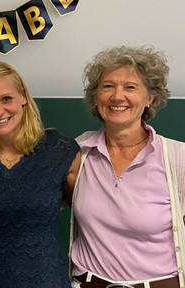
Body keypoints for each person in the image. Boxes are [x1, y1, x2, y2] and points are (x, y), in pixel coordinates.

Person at [0, 61, 80, 288]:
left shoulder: (61, 151)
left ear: (23, 97)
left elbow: (79, 208)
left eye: (6, 99)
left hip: (48, 281)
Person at [69, 46, 185, 288]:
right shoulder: (78, 152)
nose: (117, 96)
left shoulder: (178, 157)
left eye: (130, 87)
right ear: (96, 96)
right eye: (108, 86)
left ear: (150, 98)